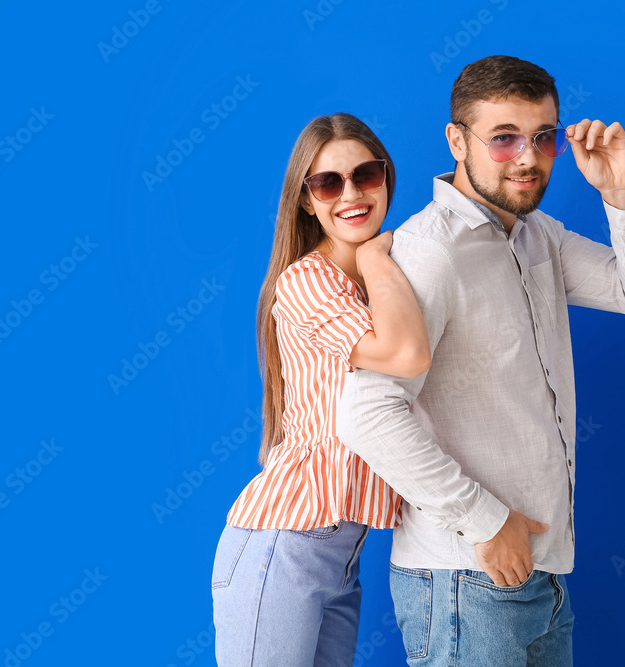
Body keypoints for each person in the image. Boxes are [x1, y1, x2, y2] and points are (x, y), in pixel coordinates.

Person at [336, 55, 625, 666]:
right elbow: (367, 412)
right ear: (456, 140)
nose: (528, 157)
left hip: (541, 573)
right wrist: (488, 522)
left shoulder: (536, 234)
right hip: (467, 576)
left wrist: (621, 193)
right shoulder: (429, 253)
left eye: (543, 137)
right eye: (503, 139)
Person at [211, 113, 431, 666]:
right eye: (328, 182)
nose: (351, 194)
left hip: (343, 555)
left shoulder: (380, 279)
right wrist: (377, 252)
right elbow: (407, 355)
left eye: (366, 174)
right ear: (307, 200)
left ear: (386, 177)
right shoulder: (308, 282)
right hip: (283, 546)